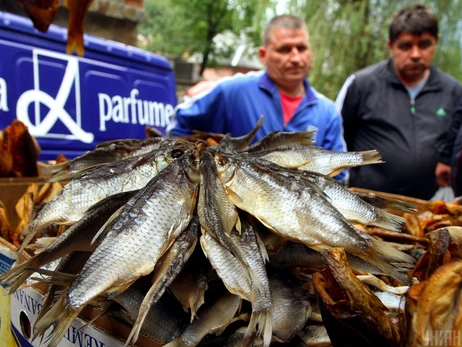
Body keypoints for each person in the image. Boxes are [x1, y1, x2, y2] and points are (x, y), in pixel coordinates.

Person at [167, 14, 346, 178]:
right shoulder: (233, 92)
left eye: (301, 48)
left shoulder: (327, 113)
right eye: (285, 49)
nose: (296, 58)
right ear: (263, 55)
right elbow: (178, 127)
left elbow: (339, 176)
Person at [335, 4, 462, 200]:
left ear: (436, 42)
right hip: (368, 205)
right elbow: (336, 138)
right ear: (390, 45)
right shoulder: (361, 85)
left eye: (425, 44)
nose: (415, 55)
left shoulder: (453, 91)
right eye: (405, 46)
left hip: (429, 208)